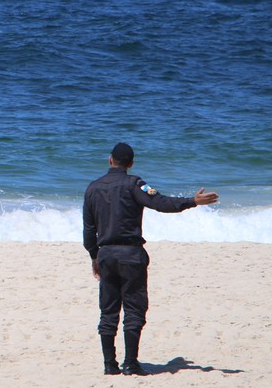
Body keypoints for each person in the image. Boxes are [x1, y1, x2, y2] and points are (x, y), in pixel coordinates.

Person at [82, 143, 218, 376]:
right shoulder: (134, 184)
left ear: (110, 160)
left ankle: (109, 364)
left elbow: (88, 231)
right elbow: (160, 203)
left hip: (105, 254)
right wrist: (192, 201)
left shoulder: (93, 188)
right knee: (134, 308)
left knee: (108, 310)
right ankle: (131, 364)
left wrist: (95, 256)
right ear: (131, 164)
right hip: (131, 255)